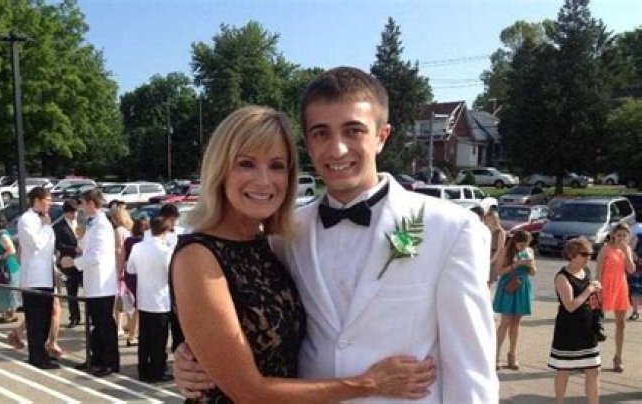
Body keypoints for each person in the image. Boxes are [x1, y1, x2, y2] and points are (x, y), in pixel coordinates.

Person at [175, 68, 497, 402]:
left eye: (353, 130)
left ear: (381, 136)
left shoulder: (451, 229)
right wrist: (197, 355)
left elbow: (472, 371)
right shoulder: (286, 234)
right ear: (308, 144)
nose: (337, 149)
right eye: (321, 133)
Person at [64, 188, 119, 377]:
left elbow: (97, 256)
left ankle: (109, 362)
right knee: (96, 324)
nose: (80, 207)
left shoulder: (102, 225)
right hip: (94, 283)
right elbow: (86, 248)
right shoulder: (92, 223)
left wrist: (74, 262)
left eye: (82, 203)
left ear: (91, 203)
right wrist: (80, 238)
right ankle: (96, 358)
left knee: (104, 324)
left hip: (102, 284)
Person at [548, 237, 601, 404]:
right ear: (572, 255)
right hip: (568, 329)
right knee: (563, 369)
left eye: (590, 254)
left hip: (587, 329)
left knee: (593, 370)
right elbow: (570, 306)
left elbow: (589, 300)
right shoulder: (562, 277)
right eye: (584, 254)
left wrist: (596, 295)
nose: (588, 257)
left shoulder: (586, 272)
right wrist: (589, 290)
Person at [127, 217, 174, 382]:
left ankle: (143, 369)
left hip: (143, 297)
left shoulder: (138, 247)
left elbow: (130, 269)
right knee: (159, 339)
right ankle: (157, 371)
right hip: (160, 300)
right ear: (165, 232)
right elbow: (171, 274)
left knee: (144, 337)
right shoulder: (166, 251)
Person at [17, 186, 58, 370]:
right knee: (36, 320)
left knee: (46, 318)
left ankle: (42, 352)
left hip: (46, 276)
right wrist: (47, 227)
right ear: (38, 200)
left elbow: (49, 248)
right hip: (33, 277)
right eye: (48, 200)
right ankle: (36, 356)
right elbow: (36, 244)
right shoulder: (26, 219)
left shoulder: (44, 219)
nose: (50, 203)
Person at [493, 230, 536, 370]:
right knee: (505, 322)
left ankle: (512, 355)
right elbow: (499, 271)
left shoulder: (529, 251)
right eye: (521, 245)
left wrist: (531, 266)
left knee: (516, 323)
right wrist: (515, 265)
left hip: (522, 285)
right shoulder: (505, 251)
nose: (523, 248)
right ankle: (495, 356)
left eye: (526, 245)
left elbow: (533, 272)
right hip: (508, 286)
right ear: (515, 242)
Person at [595, 223, 635, 372]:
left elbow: (631, 269)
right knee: (596, 322)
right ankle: (589, 356)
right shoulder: (606, 248)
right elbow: (598, 270)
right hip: (605, 285)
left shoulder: (627, 249)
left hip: (620, 286)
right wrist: (598, 289)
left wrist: (627, 253)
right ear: (613, 235)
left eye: (625, 235)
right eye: (619, 235)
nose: (621, 238)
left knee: (621, 323)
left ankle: (618, 357)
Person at [0, 213, 21, 323]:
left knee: (9, 290)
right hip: (0, 268)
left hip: (7, 267)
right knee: (3, 291)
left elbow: (12, 250)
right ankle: (6, 313)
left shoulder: (2, 236)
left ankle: (11, 315)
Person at [53, 199, 83, 329]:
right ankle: (74, 317)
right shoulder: (58, 227)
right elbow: (58, 244)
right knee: (72, 291)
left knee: (88, 289)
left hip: (84, 261)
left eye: (76, 212)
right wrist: (73, 249)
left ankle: (91, 316)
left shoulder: (81, 224)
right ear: (65, 213)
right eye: (72, 212)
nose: (74, 215)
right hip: (68, 262)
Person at [122, 216, 150, 347]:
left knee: (134, 305)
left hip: (129, 274)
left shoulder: (128, 241)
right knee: (139, 306)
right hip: (142, 275)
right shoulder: (145, 243)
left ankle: (132, 331)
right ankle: (133, 335)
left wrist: (119, 274)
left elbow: (122, 258)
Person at [110, 207, 133, 336]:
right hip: (128, 265)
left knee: (119, 297)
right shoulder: (128, 231)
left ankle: (118, 327)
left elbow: (119, 250)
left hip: (119, 266)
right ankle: (130, 324)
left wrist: (118, 270)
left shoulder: (118, 231)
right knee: (128, 297)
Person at [484, 210, 506, 288]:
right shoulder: (486, 230)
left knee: (488, 282)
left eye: (488, 220)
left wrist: (491, 261)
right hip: (485, 255)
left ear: (494, 220)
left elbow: (499, 249)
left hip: (494, 257)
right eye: (486, 219)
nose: (486, 221)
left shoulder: (500, 232)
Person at [628, 232, 642, 321]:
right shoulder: (638, 236)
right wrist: (638, 259)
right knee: (635, 290)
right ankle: (635, 312)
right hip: (637, 268)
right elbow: (629, 249)